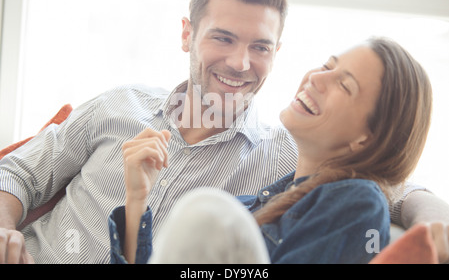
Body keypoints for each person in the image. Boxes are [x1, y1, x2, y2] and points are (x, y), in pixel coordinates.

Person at [0, 0, 448, 264]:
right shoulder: (120, 104)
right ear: (186, 35)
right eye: (223, 38)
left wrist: (434, 223)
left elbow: (386, 173)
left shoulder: (288, 157)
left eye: (260, 47)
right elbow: (19, 171)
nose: (240, 63)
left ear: (276, 53)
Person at [110, 37, 432, 264]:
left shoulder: (358, 202)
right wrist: (137, 199)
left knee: (208, 215)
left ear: (367, 137)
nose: (318, 79)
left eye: (344, 85)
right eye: (326, 66)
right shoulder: (251, 205)